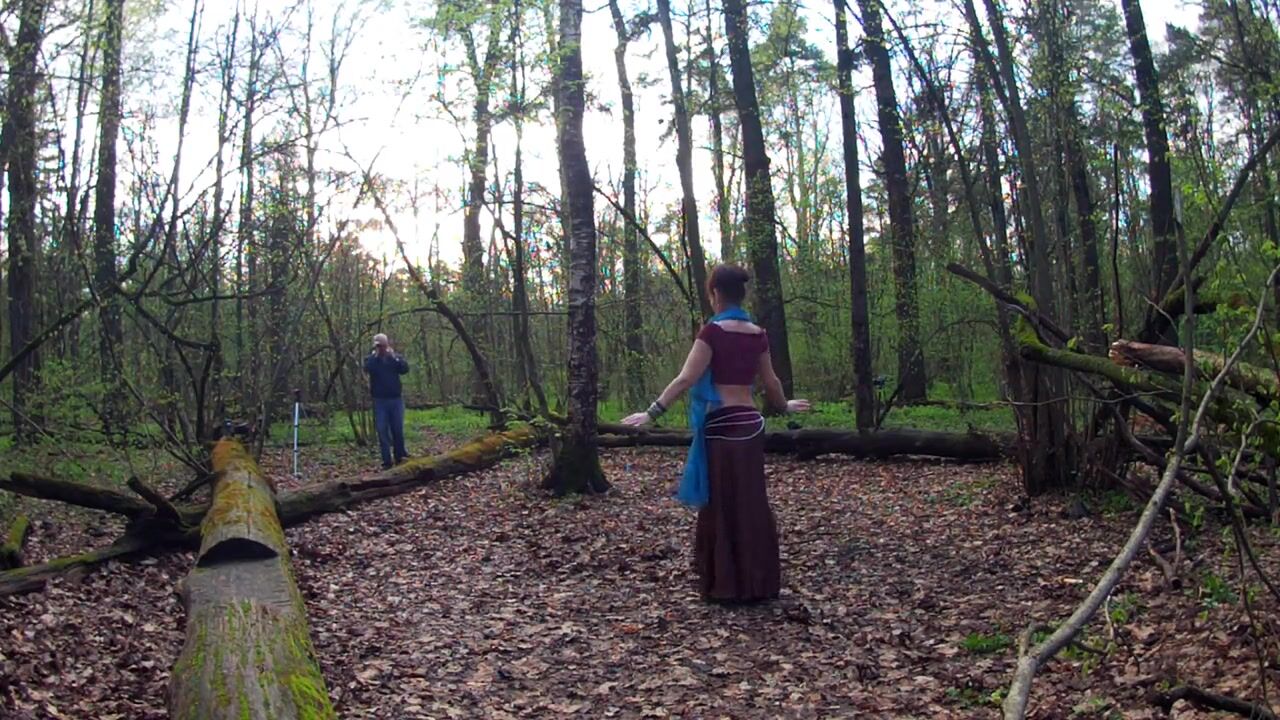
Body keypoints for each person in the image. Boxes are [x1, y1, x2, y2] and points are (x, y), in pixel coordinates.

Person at [622, 264, 810, 603]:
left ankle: (725, 585)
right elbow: (771, 381)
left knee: (722, 503)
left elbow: (685, 378)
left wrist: (651, 413)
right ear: (741, 294)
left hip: (721, 427)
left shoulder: (712, 333)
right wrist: (784, 406)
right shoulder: (758, 334)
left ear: (716, 294)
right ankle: (758, 582)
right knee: (751, 500)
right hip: (751, 425)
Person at [364, 333, 410, 469]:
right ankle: (386, 461)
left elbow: (404, 369)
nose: (381, 349)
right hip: (380, 401)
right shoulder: (372, 360)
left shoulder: (394, 358)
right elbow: (367, 368)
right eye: (378, 346)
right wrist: (375, 356)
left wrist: (394, 357)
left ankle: (400, 456)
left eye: (383, 346)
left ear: (387, 345)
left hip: (395, 399)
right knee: (382, 430)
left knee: (397, 429)